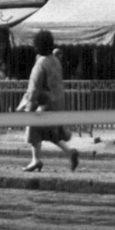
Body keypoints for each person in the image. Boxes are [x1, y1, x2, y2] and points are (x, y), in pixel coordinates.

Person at [17, 30, 78, 173]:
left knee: (33, 130)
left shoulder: (40, 64)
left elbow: (33, 88)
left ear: (37, 46)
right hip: (57, 103)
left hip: (44, 104)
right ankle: (70, 152)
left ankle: (36, 160)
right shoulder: (55, 61)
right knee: (50, 134)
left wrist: (28, 107)